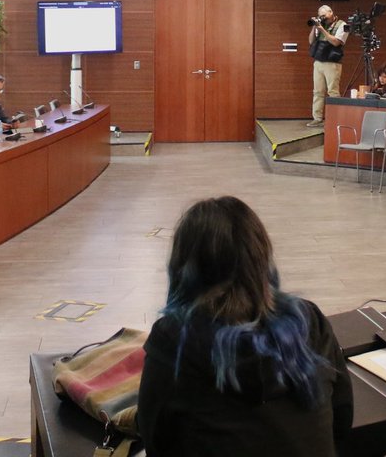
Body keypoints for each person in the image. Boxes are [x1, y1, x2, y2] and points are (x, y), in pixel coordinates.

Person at [137, 196, 353, 457]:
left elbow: (155, 441)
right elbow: (341, 420)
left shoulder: (174, 340)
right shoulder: (309, 320)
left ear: (184, 267)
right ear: (261, 257)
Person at [306, 5, 348, 127]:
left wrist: (322, 29)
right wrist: (315, 26)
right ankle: (317, 118)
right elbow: (310, 41)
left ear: (331, 12)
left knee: (333, 91)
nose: (323, 18)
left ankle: (336, 118)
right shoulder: (320, 25)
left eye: (324, 15)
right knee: (318, 91)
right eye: (321, 16)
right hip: (318, 61)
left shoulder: (343, 25)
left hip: (332, 63)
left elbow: (336, 42)